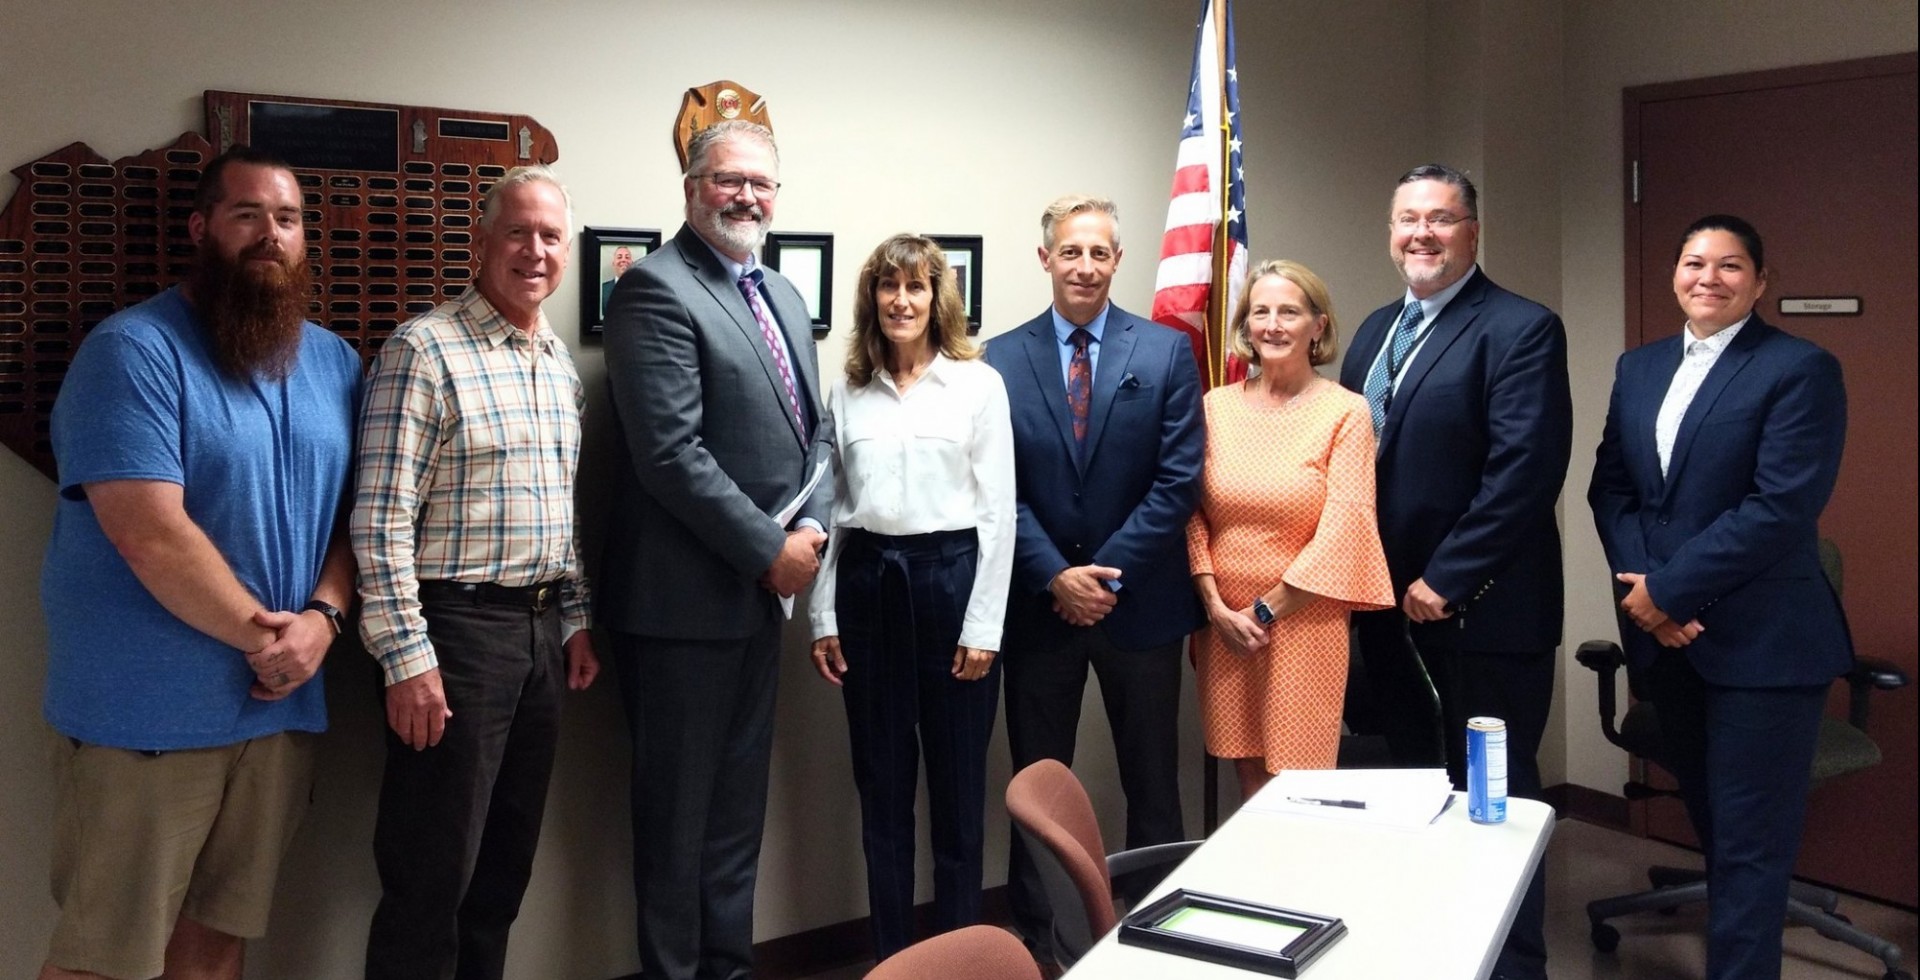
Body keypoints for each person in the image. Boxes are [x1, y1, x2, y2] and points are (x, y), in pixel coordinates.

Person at [38, 145, 360, 980]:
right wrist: (272, 642)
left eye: (286, 219)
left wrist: (324, 620)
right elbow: (147, 530)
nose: (269, 235)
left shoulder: (335, 364)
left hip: (279, 713)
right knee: (104, 960)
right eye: (247, 214)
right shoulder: (133, 352)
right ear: (202, 227)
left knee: (218, 947)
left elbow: (361, 517)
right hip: (148, 716)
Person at [354, 165, 600, 980]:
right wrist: (406, 659)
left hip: (537, 638)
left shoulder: (556, 360)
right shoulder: (423, 350)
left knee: (501, 877)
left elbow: (559, 512)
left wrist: (574, 617)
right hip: (453, 637)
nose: (536, 250)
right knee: (431, 880)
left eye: (551, 236)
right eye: (519, 233)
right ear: (481, 242)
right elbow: (380, 519)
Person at [599, 120, 832, 980]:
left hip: (754, 607)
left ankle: (728, 971)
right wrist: (770, 550)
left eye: (763, 184)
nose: (747, 197)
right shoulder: (655, 290)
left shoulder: (782, 294)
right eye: (728, 180)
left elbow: (811, 442)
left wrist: (811, 529)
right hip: (678, 612)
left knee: (737, 818)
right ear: (692, 187)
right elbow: (670, 454)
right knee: (675, 826)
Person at [1589, 215, 1850, 980]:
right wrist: (1648, 595)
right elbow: (1614, 489)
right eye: (1694, 262)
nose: (1709, 277)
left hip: (1763, 647)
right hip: (1670, 640)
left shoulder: (1799, 369)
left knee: (1749, 850)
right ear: (1674, 273)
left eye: (1730, 266)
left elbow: (1781, 506)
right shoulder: (1639, 368)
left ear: (1761, 282)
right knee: (1717, 834)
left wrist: (1669, 589)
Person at [1336, 164, 1571, 980]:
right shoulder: (1371, 333)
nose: (1422, 235)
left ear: (1474, 231)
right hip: (1389, 616)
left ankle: (1513, 963)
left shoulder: (1521, 328)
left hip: (1483, 615)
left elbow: (1524, 474)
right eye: (1408, 219)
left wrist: (1448, 577)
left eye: (1441, 219)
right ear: (1390, 230)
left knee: (1494, 804)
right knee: (1413, 794)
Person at [982, 194, 1204, 969]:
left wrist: (1102, 576)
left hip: (1141, 609)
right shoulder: (1000, 360)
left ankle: (1160, 949)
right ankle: (1040, 950)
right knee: (1037, 788)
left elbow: (1177, 483)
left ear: (1119, 259)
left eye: (1100, 253)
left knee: (1154, 786)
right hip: (1040, 611)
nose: (1085, 266)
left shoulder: (1167, 353)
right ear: (1045, 259)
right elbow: (995, 485)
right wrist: (1055, 576)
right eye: (1070, 252)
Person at [806, 233, 1015, 961]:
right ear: (872, 300)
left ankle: (959, 962)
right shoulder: (848, 391)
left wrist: (984, 624)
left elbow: (999, 512)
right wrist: (823, 615)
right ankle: (894, 962)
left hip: (951, 580)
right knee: (883, 791)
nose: (901, 300)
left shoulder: (977, 384)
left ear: (937, 299)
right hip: (868, 585)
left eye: (916, 287)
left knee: (959, 798)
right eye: (889, 288)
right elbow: (830, 510)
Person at [1186, 260, 1393, 799]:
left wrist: (1261, 612)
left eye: (1289, 312)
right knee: (1247, 775)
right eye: (1261, 312)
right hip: (1223, 626)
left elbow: (1346, 524)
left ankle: (1299, 883)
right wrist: (1216, 608)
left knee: (1296, 787)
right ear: (1246, 325)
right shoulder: (1214, 407)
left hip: (1303, 624)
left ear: (1318, 326)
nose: (1273, 325)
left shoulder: (1345, 413)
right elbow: (1191, 513)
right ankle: (1256, 883)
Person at [602, 244, 634, 315]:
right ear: (613, 264)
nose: (623, 260)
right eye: (619, 257)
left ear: (632, 263)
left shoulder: (642, 288)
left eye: (627, 257)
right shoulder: (602, 290)